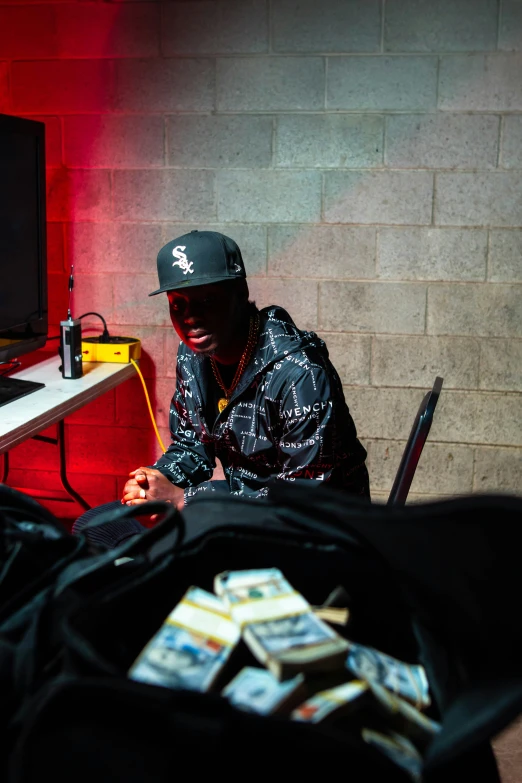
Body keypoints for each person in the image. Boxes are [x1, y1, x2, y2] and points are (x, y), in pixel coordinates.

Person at [73, 230, 369, 545]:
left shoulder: (299, 373)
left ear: (240, 292)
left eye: (207, 300)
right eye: (178, 305)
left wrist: (189, 499)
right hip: (236, 517)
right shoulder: (192, 357)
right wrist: (156, 482)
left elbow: (302, 498)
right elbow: (190, 446)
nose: (190, 318)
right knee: (95, 527)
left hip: (313, 536)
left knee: (155, 558)